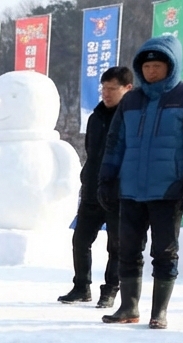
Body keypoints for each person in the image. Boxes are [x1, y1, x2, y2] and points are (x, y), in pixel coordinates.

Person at [98, 36, 183, 329]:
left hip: (168, 189)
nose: (151, 71)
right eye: (147, 66)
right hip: (131, 189)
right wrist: (107, 179)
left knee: (164, 251)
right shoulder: (131, 101)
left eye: (157, 65)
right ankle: (128, 306)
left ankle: (159, 311)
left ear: (170, 66)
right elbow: (115, 144)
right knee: (126, 249)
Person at [60, 67, 134, 307]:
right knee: (80, 240)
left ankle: (110, 289)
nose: (107, 94)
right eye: (104, 89)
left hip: (119, 193)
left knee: (116, 245)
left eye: (113, 89)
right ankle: (81, 286)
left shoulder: (132, 117)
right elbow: (92, 153)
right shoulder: (95, 117)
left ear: (127, 89)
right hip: (92, 189)